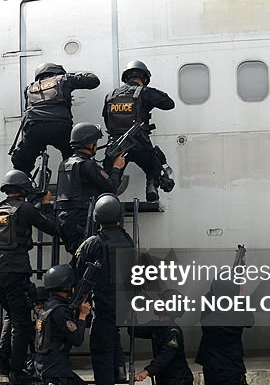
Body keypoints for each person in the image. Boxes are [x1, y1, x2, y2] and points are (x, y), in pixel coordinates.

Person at [0, 170, 60, 382]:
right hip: (15, 270)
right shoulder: (25, 208)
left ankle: (1, 359)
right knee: (22, 323)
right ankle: (17, 371)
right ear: (24, 189)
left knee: (11, 314)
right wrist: (46, 204)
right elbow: (51, 227)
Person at [73, 194, 133, 385]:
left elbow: (78, 269)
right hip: (124, 302)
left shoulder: (94, 242)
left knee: (100, 349)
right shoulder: (127, 239)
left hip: (105, 302)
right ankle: (119, 370)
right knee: (113, 335)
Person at [101, 60, 175, 202]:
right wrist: (149, 100)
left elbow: (107, 119)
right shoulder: (144, 92)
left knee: (111, 175)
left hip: (117, 146)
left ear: (126, 78)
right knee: (153, 166)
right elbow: (169, 104)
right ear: (144, 78)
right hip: (140, 143)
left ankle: (108, 200)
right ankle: (151, 188)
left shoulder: (110, 96)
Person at [10, 62, 100, 175]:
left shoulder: (29, 88)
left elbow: (27, 111)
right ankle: (72, 183)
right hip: (60, 127)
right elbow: (94, 81)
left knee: (21, 163)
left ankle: (19, 188)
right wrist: (75, 74)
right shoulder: (64, 79)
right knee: (74, 158)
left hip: (34, 129)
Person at [54, 123, 126, 255]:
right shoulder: (88, 164)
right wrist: (116, 168)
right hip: (81, 221)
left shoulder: (64, 164)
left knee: (80, 257)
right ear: (88, 143)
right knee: (89, 259)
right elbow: (111, 188)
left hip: (63, 222)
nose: (97, 146)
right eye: (95, 142)